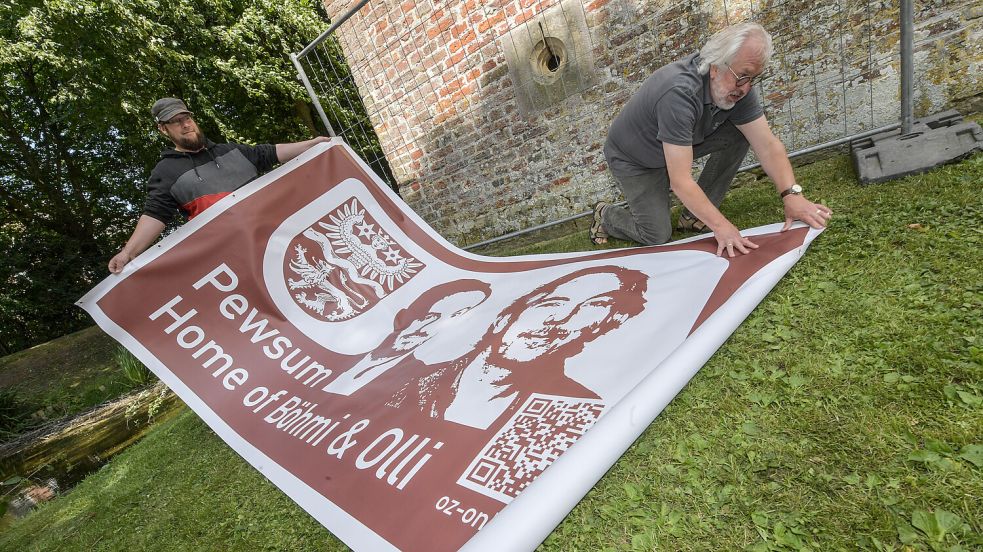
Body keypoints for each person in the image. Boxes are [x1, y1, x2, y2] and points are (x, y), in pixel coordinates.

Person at [590, 22, 832, 257]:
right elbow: (681, 180)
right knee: (656, 235)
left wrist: (793, 196)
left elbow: (767, 144)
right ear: (715, 67)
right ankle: (606, 215)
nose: (745, 89)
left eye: (753, 78)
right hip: (635, 158)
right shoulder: (679, 93)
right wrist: (722, 227)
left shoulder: (736, 86)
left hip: (679, 144)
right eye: (742, 76)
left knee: (741, 132)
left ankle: (694, 216)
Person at [107, 97, 332, 273]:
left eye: (187, 118)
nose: (185, 125)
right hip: (237, 261)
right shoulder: (165, 173)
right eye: (175, 122)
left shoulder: (233, 151)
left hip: (282, 242)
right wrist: (128, 252)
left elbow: (271, 152)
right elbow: (155, 215)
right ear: (163, 129)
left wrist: (311, 145)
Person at [430, 265, 648, 430]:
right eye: (554, 303)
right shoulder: (414, 383)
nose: (560, 321)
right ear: (504, 318)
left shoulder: (572, 410)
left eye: (589, 310)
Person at [322, 279, 492, 396]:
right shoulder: (340, 346)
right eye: (431, 315)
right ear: (404, 313)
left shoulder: (425, 380)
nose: (429, 328)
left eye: (454, 315)